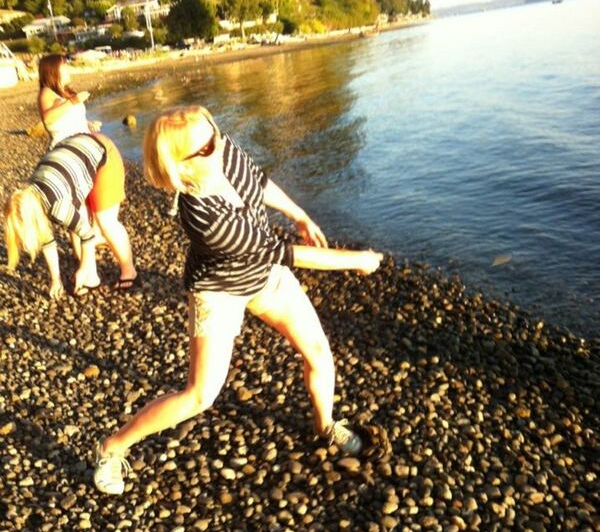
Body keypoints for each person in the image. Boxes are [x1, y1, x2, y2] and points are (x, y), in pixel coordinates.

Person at [93, 106, 383, 495]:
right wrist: (356, 262)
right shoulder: (203, 217)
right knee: (200, 394)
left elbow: (258, 182)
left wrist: (299, 214)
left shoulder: (220, 150)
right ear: (182, 167)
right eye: (208, 144)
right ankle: (112, 447)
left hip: (263, 276)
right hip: (219, 289)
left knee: (317, 350)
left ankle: (325, 426)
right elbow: (283, 254)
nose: (221, 143)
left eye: (216, 132)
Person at [4, 133, 137, 296]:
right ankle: (91, 275)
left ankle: (128, 271)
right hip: (74, 156)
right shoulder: (30, 197)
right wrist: (56, 280)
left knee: (106, 221)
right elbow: (46, 240)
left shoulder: (57, 206)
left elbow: (87, 234)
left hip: (103, 152)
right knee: (76, 223)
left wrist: (83, 268)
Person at [37, 53, 101, 148]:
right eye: (64, 67)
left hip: (82, 139)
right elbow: (47, 119)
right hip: (66, 144)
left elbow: (68, 119)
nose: (68, 70)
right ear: (52, 71)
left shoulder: (67, 91)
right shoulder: (46, 92)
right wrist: (72, 102)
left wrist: (88, 123)